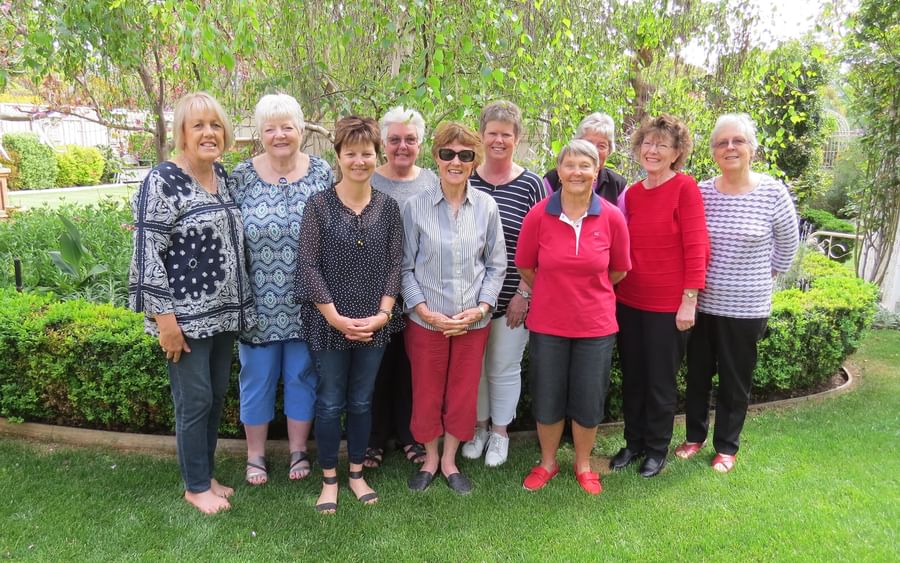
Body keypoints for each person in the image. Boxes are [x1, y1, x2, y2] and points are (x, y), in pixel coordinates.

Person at [129, 92, 255, 514]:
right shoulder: (162, 181)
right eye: (198, 125)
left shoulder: (222, 175)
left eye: (215, 125)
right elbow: (147, 252)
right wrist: (165, 321)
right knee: (194, 400)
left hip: (222, 317)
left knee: (215, 397)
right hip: (184, 319)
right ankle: (195, 486)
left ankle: (206, 474)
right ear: (182, 132)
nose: (208, 133)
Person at [674, 113, 799, 472]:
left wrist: (759, 276)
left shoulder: (772, 193)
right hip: (701, 303)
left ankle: (726, 446)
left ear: (751, 149)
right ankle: (694, 437)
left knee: (734, 379)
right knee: (697, 374)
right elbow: (689, 242)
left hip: (746, 308)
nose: (730, 148)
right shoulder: (700, 192)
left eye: (737, 141)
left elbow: (787, 249)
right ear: (713, 151)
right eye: (722, 142)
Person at [294, 116, 404, 513]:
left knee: (361, 402)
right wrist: (335, 317)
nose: (359, 161)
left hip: (375, 323)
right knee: (329, 403)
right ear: (338, 156)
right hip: (329, 324)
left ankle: (356, 474)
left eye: (367, 153)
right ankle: (329, 480)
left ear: (377, 156)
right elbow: (307, 265)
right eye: (351, 153)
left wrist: (383, 315)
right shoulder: (319, 206)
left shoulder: (388, 208)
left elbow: (395, 264)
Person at [516, 140, 631, 495]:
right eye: (570, 165)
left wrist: (586, 292)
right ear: (559, 170)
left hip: (595, 327)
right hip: (548, 324)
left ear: (597, 171)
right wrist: (553, 291)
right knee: (548, 395)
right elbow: (525, 265)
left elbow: (618, 271)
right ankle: (548, 463)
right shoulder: (539, 214)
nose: (577, 172)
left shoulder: (612, 216)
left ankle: (583, 465)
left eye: (585, 165)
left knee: (588, 397)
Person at [230, 94, 333, 486]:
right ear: (260, 133)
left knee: (302, 376)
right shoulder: (241, 176)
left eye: (287, 126)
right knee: (256, 378)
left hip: (309, 302)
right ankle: (255, 455)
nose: (279, 135)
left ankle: (297, 450)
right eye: (270, 128)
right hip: (257, 303)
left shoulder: (322, 172)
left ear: (301, 129)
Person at [402, 121, 507, 494]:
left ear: (474, 161)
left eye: (465, 155)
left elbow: (497, 266)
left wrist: (480, 309)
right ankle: (429, 459)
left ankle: (449, 461)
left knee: (462, 393)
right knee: (427, 393)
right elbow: (404, 267)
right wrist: (424, 310)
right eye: (448, 153)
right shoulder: (415, 208)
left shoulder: (486, 207)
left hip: (471, 323)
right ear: (436, 157)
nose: (456, 161)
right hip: (426, 322)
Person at [611, 114, 709, 478]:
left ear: (676, 152)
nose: (652, 150)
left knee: (659, 381)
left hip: (668, 306)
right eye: (647, 143)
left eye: (661, 145)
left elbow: (697, 245)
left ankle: (656, 448)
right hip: (630, 300)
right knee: (633, 378)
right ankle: (634, 443)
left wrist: (689, 299)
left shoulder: (685, 189)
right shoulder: (633, 194)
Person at [461, 101, 547, 467]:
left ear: (518, 138)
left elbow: (546, 243)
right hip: (467, 299)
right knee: (475, 368)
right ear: (481, 136)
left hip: (514, 296)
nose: (499, 140)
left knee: (503, 367)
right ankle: (479, 428)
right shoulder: (465, 177)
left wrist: (524, 294)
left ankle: (500, 434)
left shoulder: (532, 185)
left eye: (506, 135)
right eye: (492, 133)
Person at [364, 106, 438, 469]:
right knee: (378, 365)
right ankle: (375, 439)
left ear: (420, 144)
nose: (402, 146)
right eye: (394, 139)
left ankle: (411, 435)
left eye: (410, 139)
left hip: (422, 293)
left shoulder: (434, 183)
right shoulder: (369, 180)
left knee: (413, 367)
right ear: (383, 143)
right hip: (374, 290)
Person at [542, 112, 627, 204]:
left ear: (609, 151)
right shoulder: (551, 180)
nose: (594, 150)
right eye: (588, 143)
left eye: (602, 146)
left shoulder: (617, 185)